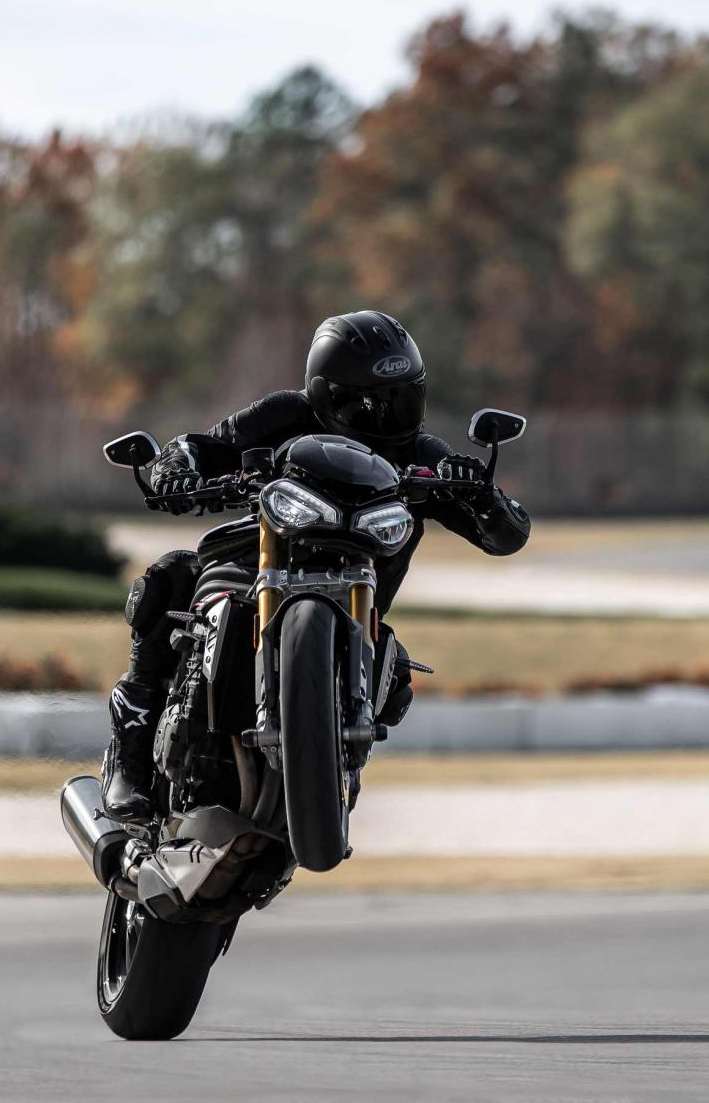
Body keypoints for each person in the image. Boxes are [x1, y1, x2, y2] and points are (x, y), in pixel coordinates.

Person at [103, 311, 531, 820]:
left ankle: (333, 766)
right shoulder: (283, 415)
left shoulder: (420, 453)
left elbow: (507, 536)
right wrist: (177, 466)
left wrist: (479, 491)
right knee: (169, 578)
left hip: (358, 609)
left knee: (395, 675)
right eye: (370, 402)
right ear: (329, 395)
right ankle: (130, 756)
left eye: (403, 398)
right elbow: (203, 444)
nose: (388, 416)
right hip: (259, 571)